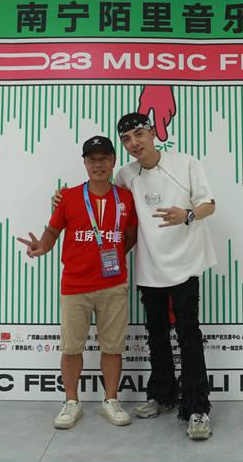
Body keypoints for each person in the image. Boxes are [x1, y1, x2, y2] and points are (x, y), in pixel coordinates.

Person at [56, 113, 217, 440]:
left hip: (184, 265)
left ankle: (197, 408)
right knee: (156, 335)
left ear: (153, 133)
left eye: (139, 135)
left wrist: (186, 214)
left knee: (188, 335)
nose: (134, 143)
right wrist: (61, 198)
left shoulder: (186, 163)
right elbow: (100, 196)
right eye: (127, 139)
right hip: (149, 270)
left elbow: (209, 204)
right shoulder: (125, 174)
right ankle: (163, 394)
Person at [19, 135, 138, 430]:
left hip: (114, 285)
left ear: (113, 161)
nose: (98, 164)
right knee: (71, 348)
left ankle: (110, 400)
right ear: (85, 163)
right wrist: (42, 246)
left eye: (103, 158)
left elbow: (131, 235)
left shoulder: (126, 198)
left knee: (113, 347)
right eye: (92, 159)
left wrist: (112, 256)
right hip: (75, 286)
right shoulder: (69, 197)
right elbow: (52, 232)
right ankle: (71, 402)